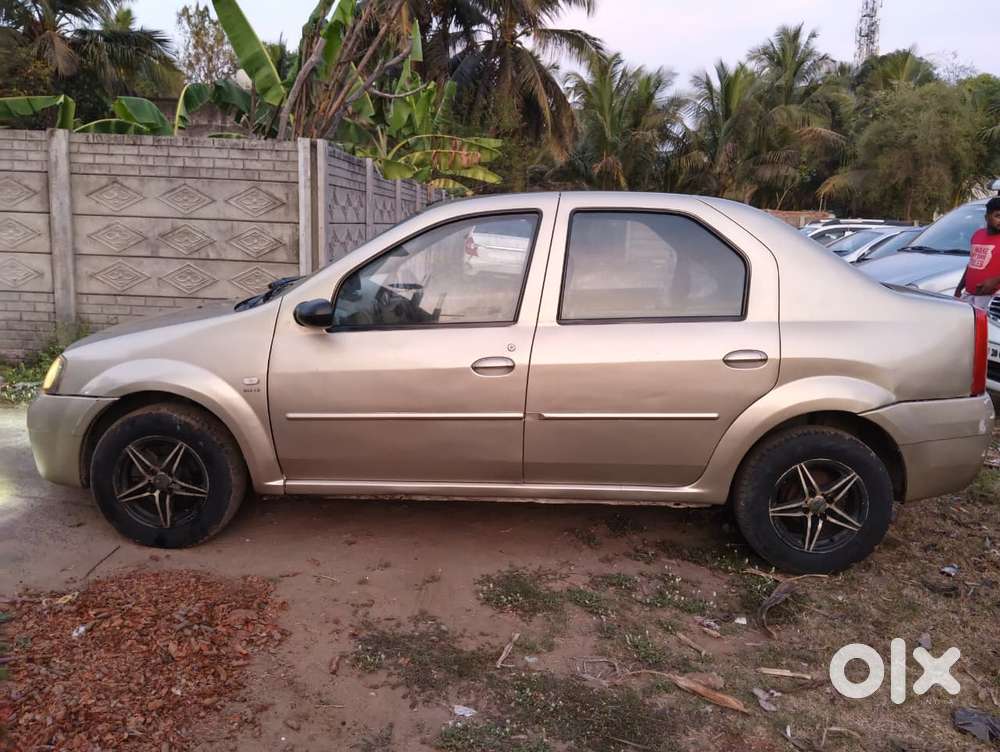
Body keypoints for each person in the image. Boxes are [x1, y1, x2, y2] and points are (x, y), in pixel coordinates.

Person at [956, 196, 1000, 310]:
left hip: (993, 299)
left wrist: (996, 280)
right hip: (969, 295)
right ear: (986, 217)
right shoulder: (978, 235)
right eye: (998, 216)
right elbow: (972, 263)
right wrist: (959, 287)